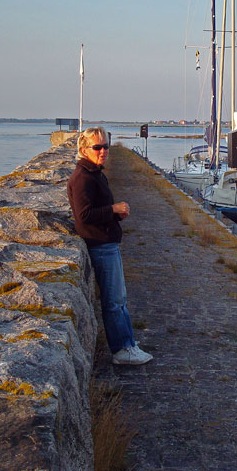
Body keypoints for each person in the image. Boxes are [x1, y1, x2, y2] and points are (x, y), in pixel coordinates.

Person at [67, 127, 153, 365]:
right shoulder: (83, 177)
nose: (103, 151)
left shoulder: (95, 173)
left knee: (120, 298)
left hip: (107, 241)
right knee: (114, 300)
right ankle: (122, 350)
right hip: (100, 245)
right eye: (98, 147)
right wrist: (113, 210)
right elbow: (84, 216)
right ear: (84, 150)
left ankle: (129, 343)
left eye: (105, 146)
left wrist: (115, 216)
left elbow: (95, 211)